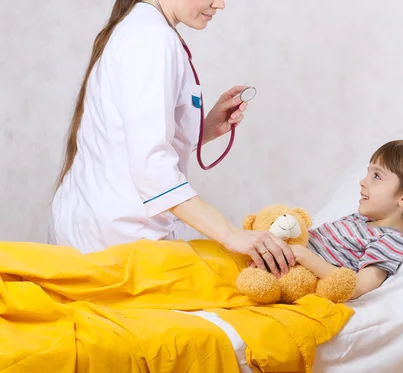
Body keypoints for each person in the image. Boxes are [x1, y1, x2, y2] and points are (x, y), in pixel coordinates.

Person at [47, 0, 295, 275]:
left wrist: (205, 129)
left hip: (105, 230)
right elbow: (151, 165)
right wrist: (229, 234)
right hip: (116, 241)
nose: (220, 4)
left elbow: (127, 139)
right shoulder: (150, 38)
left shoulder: (145, 29)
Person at [288, 139, 403, 299]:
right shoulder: (358, 220)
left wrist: (301, 255)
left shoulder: (390, 240)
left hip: (293, 273)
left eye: (377, 176)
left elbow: (358, 287)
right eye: (368, 173)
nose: (362, 182)